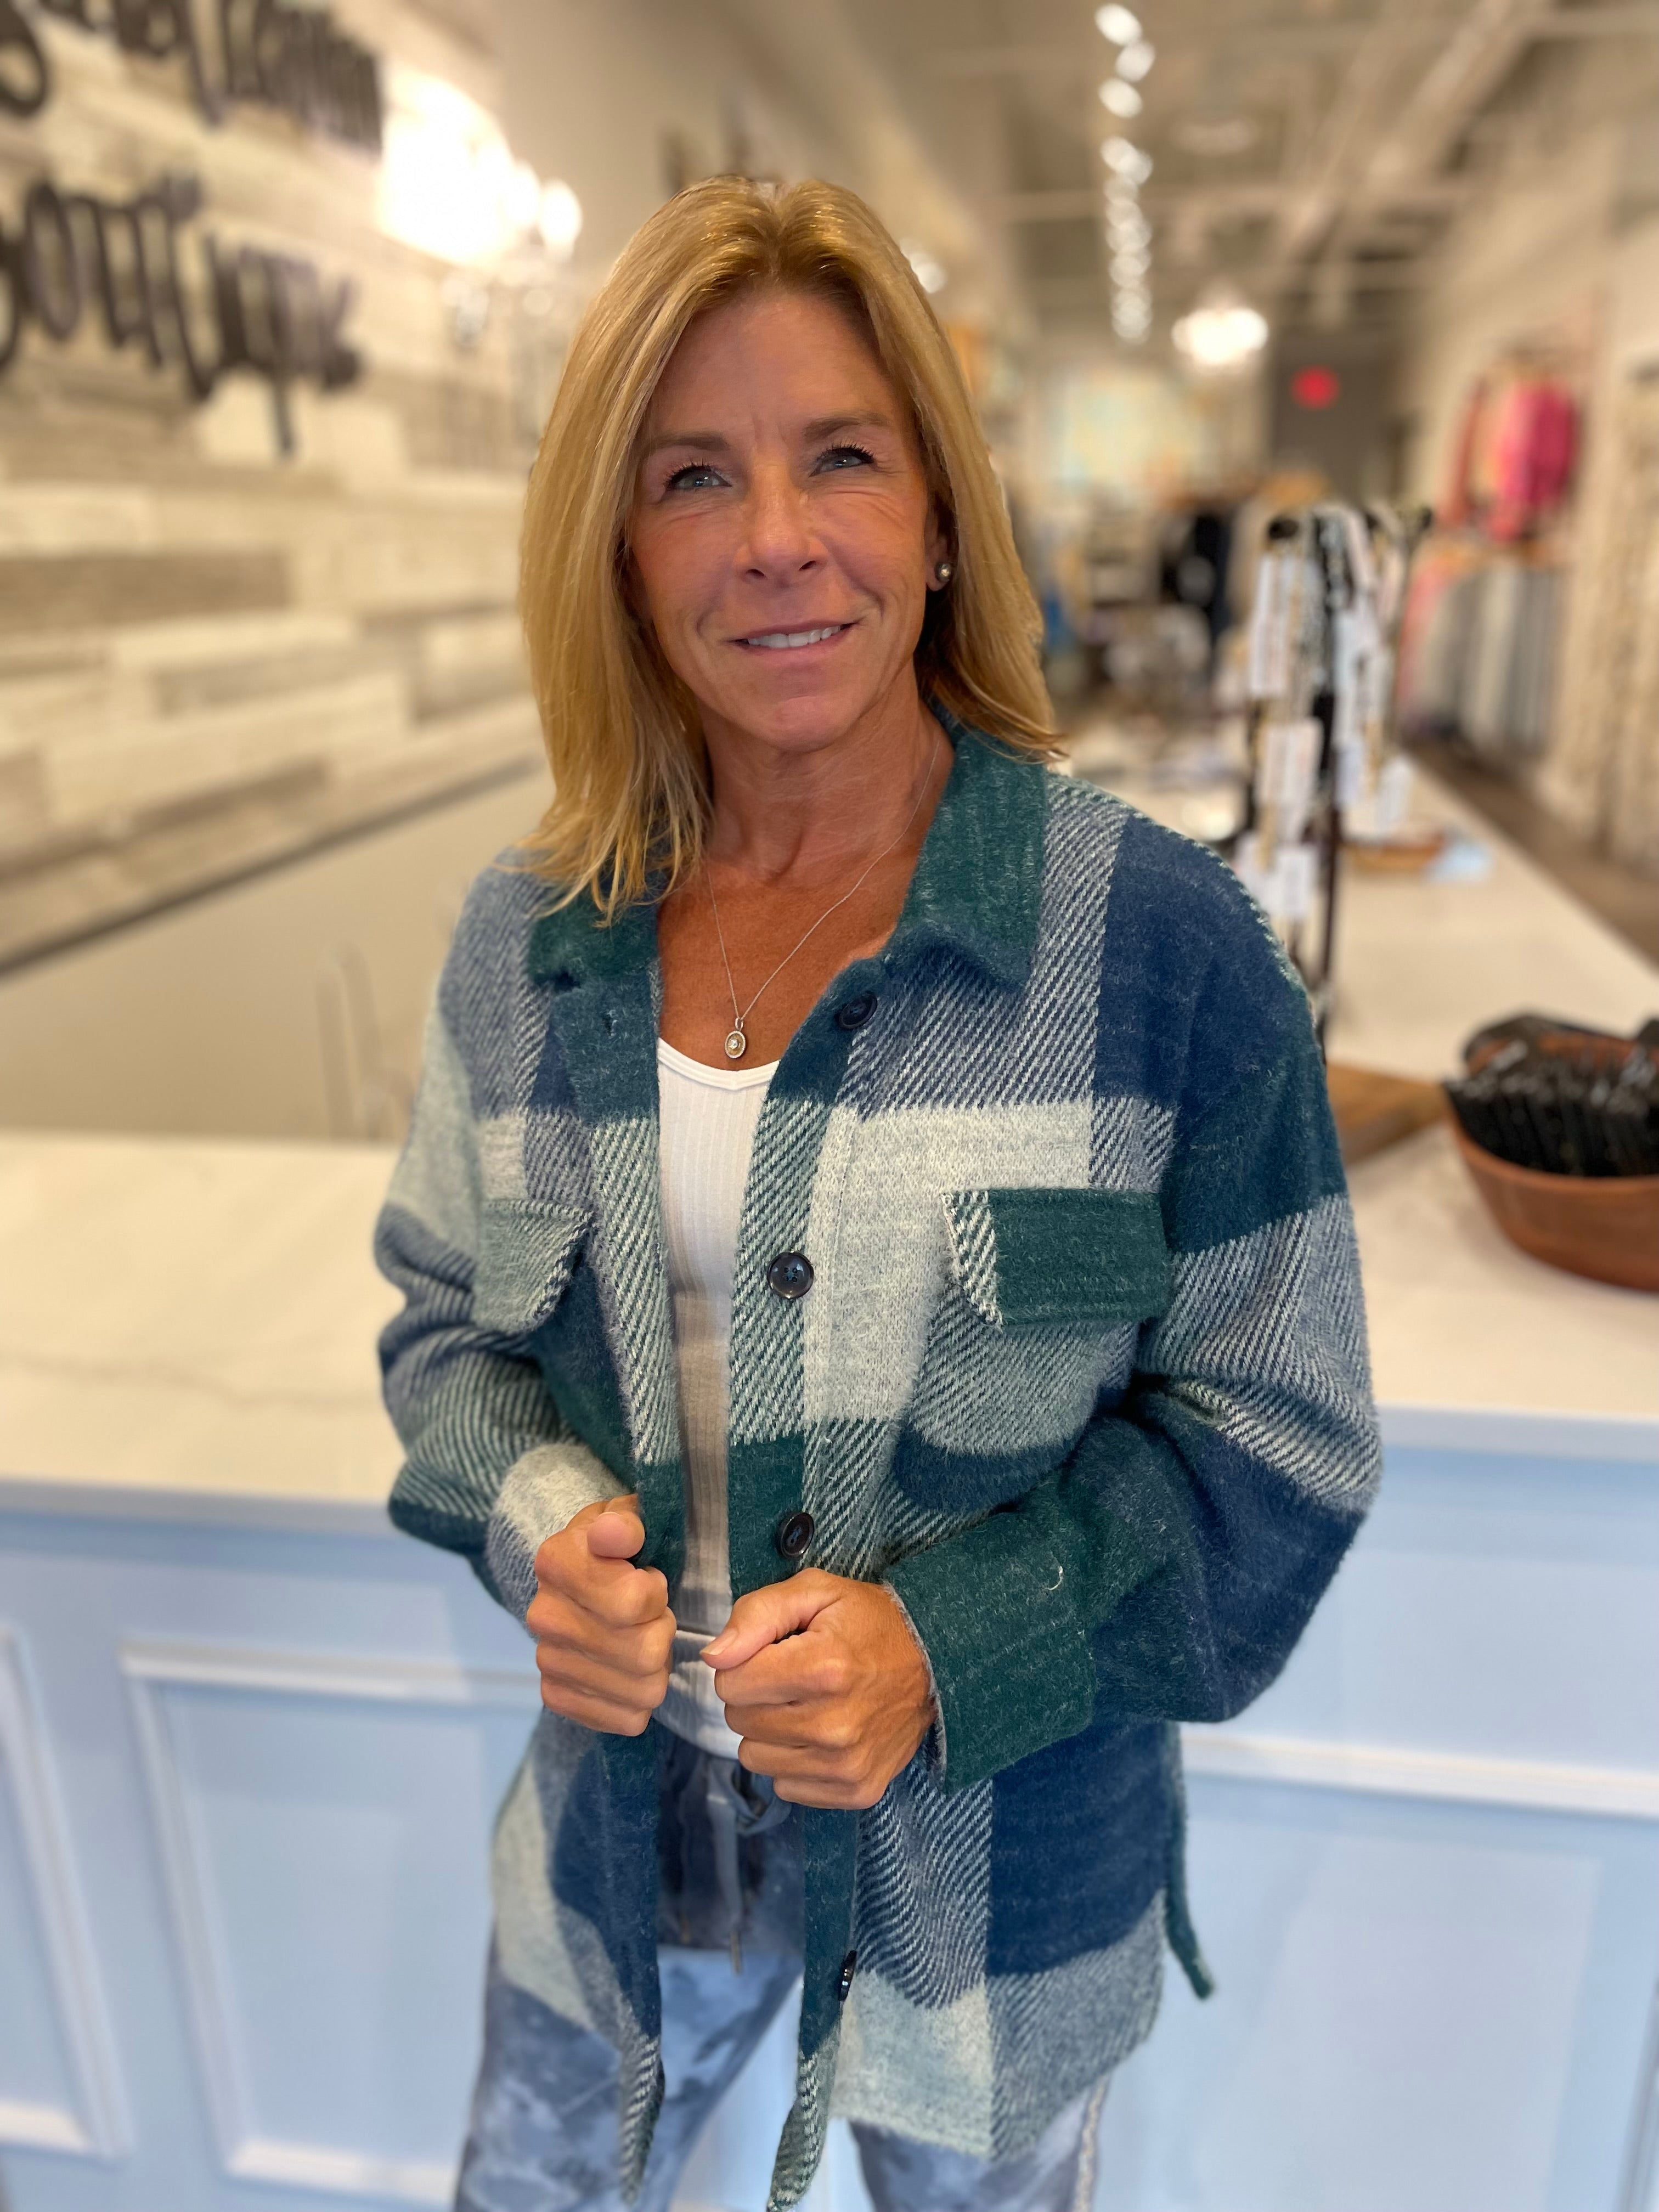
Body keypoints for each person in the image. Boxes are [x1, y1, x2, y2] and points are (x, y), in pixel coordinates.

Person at [375, 177, 1381, 2212]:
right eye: (693, 476)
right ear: (620, 551)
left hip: (1000, 1889)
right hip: (616, 1847)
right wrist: (539, 1526)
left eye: (840, 455)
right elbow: (446, 1330)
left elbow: (1285, 1439)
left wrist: (950, 1643)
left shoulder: (1164, 951)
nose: (776, 536)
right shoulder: (532, 940)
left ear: (937, 517)